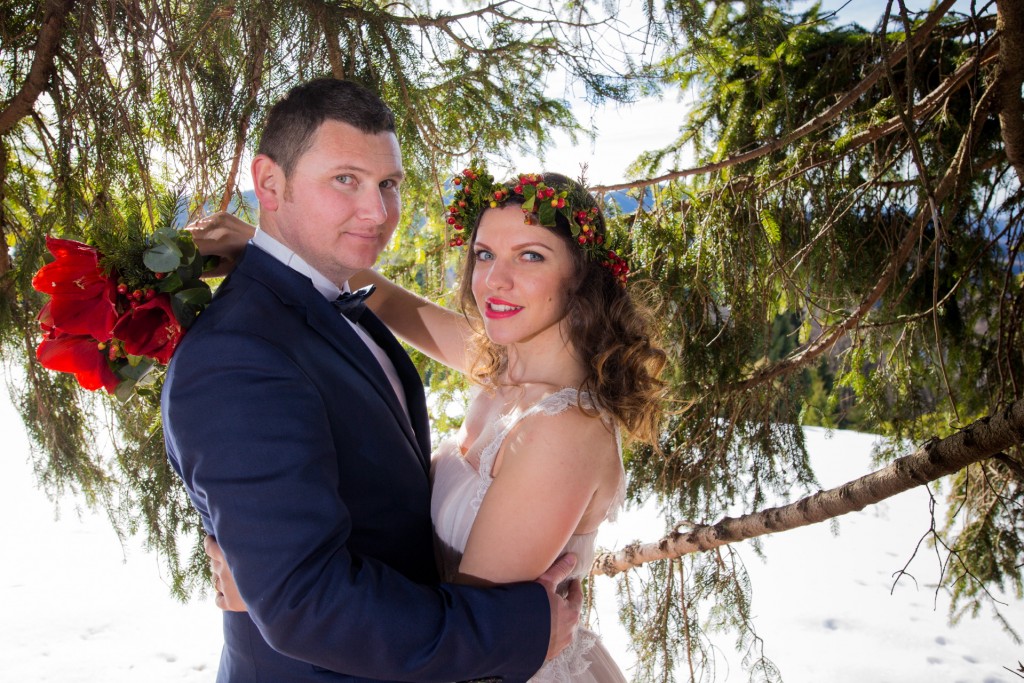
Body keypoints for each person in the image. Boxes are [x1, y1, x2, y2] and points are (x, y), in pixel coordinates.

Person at [162, 78, 582, 683]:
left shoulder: (335, 306)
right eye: (345, 180)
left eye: (388, 185)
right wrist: (520, 628)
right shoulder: (240, 354)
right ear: (270, 183)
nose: (378, 212)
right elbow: (308, 605)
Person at [193, 166, 668, 682]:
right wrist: (269, 249)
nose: (494, 279)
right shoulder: (505, 368)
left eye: (530, 255)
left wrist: (269, 592)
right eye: (484, 254)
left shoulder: (561, 431)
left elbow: (468, 639)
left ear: (582, 275)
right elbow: (391, 301)